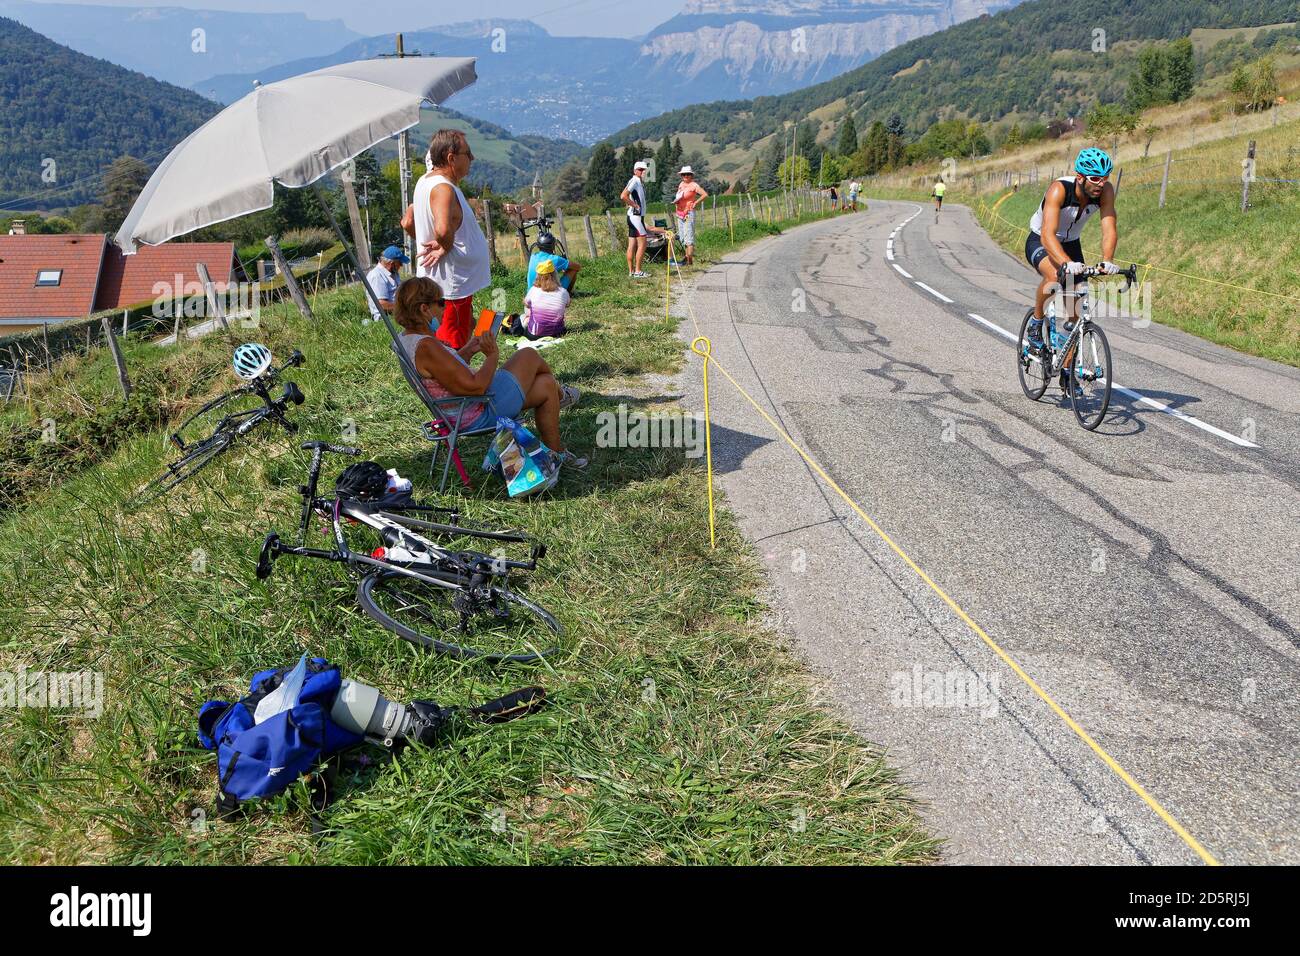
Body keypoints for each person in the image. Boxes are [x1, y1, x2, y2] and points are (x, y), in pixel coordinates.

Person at [393, 276, 586, 468]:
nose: (445, 309)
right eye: (441, 303)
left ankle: (556, 454)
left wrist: (468, 349)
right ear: (424, 309)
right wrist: (492, 355)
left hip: (462, 410)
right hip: (477, 411)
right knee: (528, 354)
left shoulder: (408, 339)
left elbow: (445, 373)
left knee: (545, 385)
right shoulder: (427, 346)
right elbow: (476, 387)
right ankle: (562, 396)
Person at [1024, 147, 1119, 356]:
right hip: (1041, 239)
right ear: (1080, 177)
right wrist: (1066, 264)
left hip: (1071, 243)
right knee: (1054, 276)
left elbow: (1109, 228)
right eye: (1095, 178)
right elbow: (1048, 235)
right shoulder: (1059, 189)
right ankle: (1035, 323)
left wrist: (1108, 260)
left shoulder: (1105, 191)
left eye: (1105, 178)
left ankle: (1068, 378)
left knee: (1077, 305)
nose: (1100, 184)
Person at [403, 129, 490, 351]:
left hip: (449, 283)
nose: (472, 159)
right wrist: (444, 246)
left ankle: (460, 377)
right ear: (451, 158)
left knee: (456, 335)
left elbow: (409, 221)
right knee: (452, 343)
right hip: (451, 285)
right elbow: (442, 230)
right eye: (467, 153)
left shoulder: (425, 181)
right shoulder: (443, 188)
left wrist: (429, 241)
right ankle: (458, 383)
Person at [505, 258, 569, 340]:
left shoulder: (533, 290)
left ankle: (526, 321)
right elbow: (567, 304)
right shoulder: (563, 292)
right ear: (554, 274)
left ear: (538, 276)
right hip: (557, 333)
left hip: (535, 335)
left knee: (525, 314)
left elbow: (526, 304)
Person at [672, 165, 709, 266]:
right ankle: (686, 257)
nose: (686, 176)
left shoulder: (694, 185)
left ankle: (689, 261)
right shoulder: (681, 184)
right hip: (679, 213)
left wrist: (695, 202)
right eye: (684, 174)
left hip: (688, 213)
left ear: (691, 175)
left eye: (688, 174)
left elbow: (705, 194)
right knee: (682, 237)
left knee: (689, 238)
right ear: (681, 175)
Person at [621, 160, 651, 278]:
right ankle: (638, 271)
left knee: (632, 244)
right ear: (635, 171)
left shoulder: (637, 181)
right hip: (636, 217)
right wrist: (634, 205)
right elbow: (623, 195)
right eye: (640, 169)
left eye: (644, 170)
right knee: (643, 244)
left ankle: (631, 271)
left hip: (633, 217)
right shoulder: (635, 181)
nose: (643, 171)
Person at [363, 245, 408, 324]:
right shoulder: (377, 276)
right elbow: (381, 304)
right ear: (392, 263)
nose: (401, 265)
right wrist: (404, 309)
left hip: (396, 313)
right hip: (385, 319)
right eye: (400, 262)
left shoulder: (393, 273)